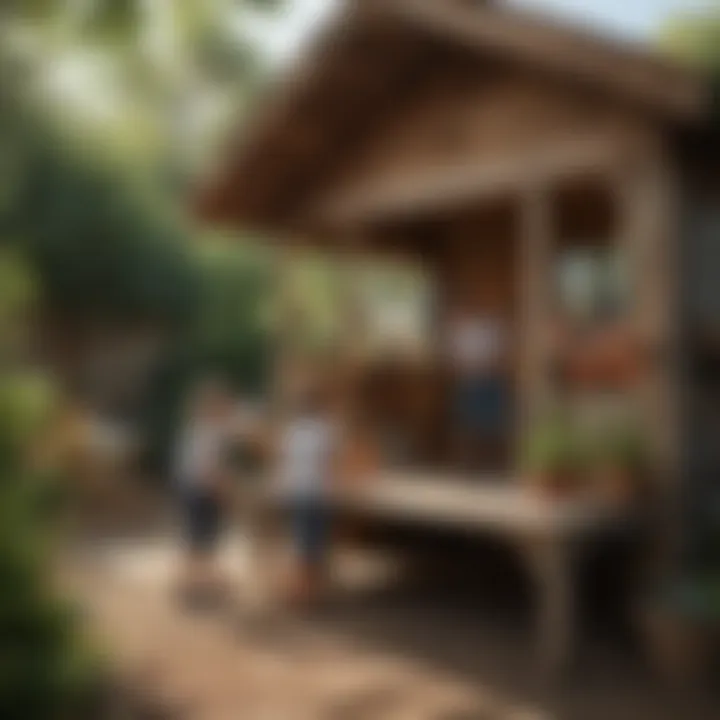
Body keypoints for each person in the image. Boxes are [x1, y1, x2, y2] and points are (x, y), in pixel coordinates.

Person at [276, 384, 341, 607]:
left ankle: (304, 593)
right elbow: (331, 462)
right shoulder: (325, 430)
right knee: (313, 546)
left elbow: (285, 461)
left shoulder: (293, 430)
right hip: (316, 494)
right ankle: (307, 593)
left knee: (302, 543)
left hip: (298, 493)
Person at [173, 379, 235, 604]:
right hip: (202, 491)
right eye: (222, 404)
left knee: (198, 537)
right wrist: (222, 491)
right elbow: (209, 469)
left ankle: (195, 583)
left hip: (191, 489)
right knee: (203, 538)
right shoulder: (209, 432)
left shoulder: (197, 429)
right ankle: (195, 585)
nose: (226, 409)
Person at [447, 298, 510, 471]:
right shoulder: (460, 331)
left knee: (491, 422)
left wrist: (492, 367)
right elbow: (457, 359)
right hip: (470, 380)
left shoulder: (490, 327)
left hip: (489, 379)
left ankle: (492, 461)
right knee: (469, 422)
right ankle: (470, 462)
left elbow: (499, 355)